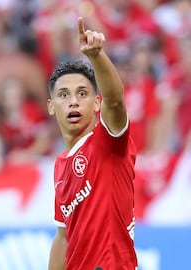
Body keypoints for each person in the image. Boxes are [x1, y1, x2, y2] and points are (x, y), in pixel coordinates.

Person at [47, 17, 138, 269]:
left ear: (97, 103)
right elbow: (63, 237)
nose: (73, 102)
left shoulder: (108, 143)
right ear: (51, 107)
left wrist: (96, 56)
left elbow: (116, 101)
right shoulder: (60, 165)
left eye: (82, 93)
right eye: (64, 95)